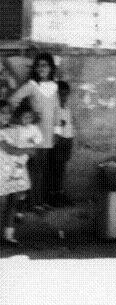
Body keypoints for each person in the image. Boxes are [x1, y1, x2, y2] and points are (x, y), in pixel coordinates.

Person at [7, 52, 58, 211]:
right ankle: (32, 204)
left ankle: (39, 201)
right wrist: (26, 116)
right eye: (39, 65)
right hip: (34, 135)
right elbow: (13, 99)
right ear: (35, 68)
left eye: (45, 65)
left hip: (49, 135)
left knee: (43, 170)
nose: (42, 68)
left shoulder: (54, 86)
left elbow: (56, 110)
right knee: (34, 170)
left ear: (50, 67)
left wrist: (56, 130)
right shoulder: (31, 85)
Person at [1, 100, 42, 246]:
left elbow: (27, 140)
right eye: (3, 113)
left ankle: (8, 235)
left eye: (8, 113)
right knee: (3, 203)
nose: (6, 116)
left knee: (13, 201)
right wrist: (28, 150)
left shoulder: (13, 128)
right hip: (2, 170)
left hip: (15, 168)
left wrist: (29, 146)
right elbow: (9, 149)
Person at [48, 80, 74, 207]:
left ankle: (59, 193)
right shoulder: (55, 109)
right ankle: (53, 196)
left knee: (61, 169)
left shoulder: (67, 109)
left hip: (67, 141)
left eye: (66, 94)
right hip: (58, 142)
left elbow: (68, 126)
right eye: (61, 94)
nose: (64, 97)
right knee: (55, 170)